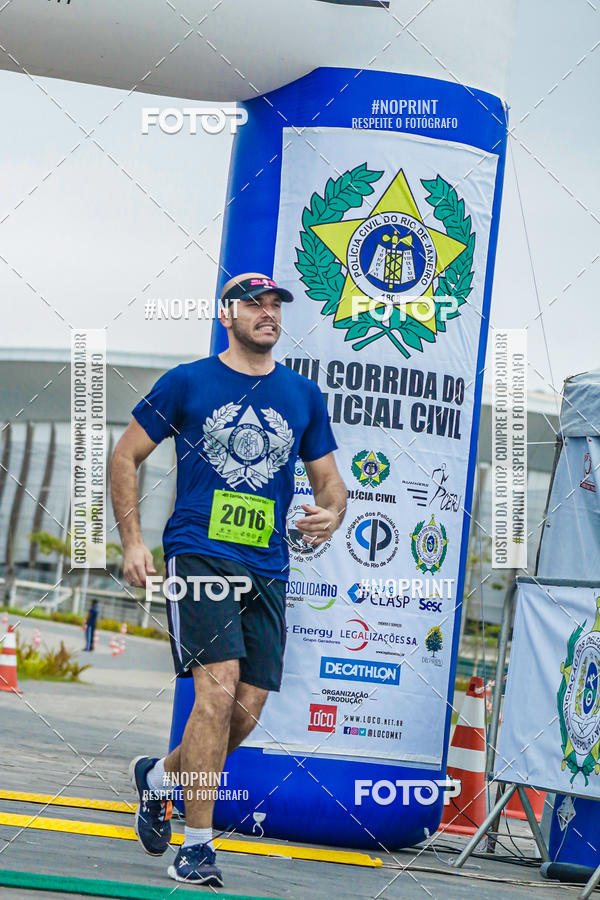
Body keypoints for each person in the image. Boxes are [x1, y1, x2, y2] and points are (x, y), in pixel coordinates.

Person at [109, 272, 347, 886]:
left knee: (247, 707)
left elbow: (330, 483)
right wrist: (133, 541)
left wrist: (332, 512)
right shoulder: (188, 381)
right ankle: (197, 847)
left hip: (267, 563)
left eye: (275, 305)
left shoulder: (302, 394)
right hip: (200, 553)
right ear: (226, 315)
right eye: (254, 304)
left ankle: (159, 778)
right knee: (216, 692)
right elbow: (125, 455)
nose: (268, 313)